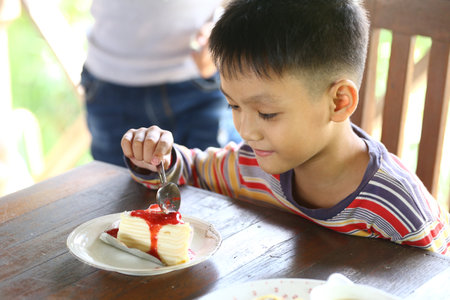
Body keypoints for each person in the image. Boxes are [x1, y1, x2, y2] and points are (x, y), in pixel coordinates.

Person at [120, 0, 450, 255]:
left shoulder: (398, 208)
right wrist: (155, 156)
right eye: (234, 105)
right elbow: (189, 173)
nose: (246, 130)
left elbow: (433, 283)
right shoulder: (252, 166)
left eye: (266, 113)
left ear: (339, 102)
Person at [80, 0, 240, 167]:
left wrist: (225, 27)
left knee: (213, 185)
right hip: (110, 88)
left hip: (200, 87)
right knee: (119, 189)